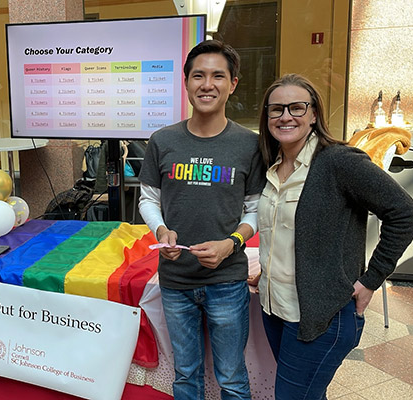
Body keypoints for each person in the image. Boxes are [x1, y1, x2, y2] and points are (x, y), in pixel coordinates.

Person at [256, 73, 413, 399]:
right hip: (275, 311)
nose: (286, 116)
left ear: (314, 114)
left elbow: (405, 213)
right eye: (276, 110)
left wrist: (372, 279)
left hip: (321, 317)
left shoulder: (338, 162)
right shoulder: (271, 165)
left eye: (297, 107)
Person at [138, 40, 266, 399]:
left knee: (231, 377)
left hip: (227, 281)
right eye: (198, 75)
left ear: (233, 84)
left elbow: (255, 209)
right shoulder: (163, 141)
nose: (207, 84)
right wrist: (161, 230)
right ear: (186, 82)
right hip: (176, 281)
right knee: (185, 376)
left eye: (217, 76)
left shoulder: (249, 145)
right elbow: (149, 200)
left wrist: (232, 243)